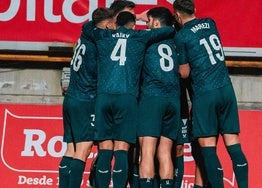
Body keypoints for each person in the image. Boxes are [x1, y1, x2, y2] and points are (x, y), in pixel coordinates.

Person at [85, 11, 175, 188]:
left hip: (104, 97)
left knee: (104, 149)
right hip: (126, 98)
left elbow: (86, 27)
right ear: (133, 25)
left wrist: (109, 25)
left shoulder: (103, 35)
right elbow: (168, 31)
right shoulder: (139, 36)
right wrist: (144, 24)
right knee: (121, 149)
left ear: (115, 23)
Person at [173, 0, 249, 187]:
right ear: (195, 10)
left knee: (208, 148)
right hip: (226, 89)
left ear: (177, 15)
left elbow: (184, 72)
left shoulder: (182, 36)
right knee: (233, 143)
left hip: (205, 93)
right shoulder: (211, 22)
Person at [58, 8, 115, 188]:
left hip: (70, 98)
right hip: (85, 100)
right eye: (113, 24)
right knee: (84, 148)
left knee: (71, 148)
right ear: (107, 25)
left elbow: (89, 25)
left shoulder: (85, 34)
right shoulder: (98, 45)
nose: (115, 28)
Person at [137, 7, 180, 188]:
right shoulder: (175, 40)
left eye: (148, 22)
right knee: (165, 152)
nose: (146, 26)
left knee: (147, 152)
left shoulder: (147, 40)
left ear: (155, 23)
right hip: (173, 99)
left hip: (152, 97)